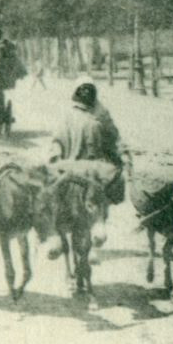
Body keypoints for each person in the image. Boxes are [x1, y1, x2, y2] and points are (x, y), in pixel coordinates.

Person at [45, 78, 126, 257]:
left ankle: (95, 236)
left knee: (101, 198)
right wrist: (56, 155)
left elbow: (114, 137)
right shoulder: (68, 115)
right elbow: (58, 139)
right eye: (83, 90)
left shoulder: (102, 114)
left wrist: (121, 153)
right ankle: (55, 237)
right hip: (72, 166)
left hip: (95, 167)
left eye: (89, 90)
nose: (86, 94)